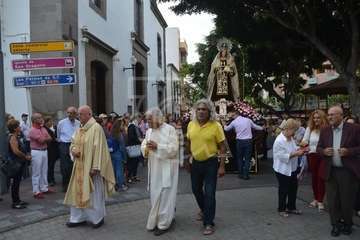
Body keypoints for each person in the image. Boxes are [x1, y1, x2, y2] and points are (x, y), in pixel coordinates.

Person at [64, 105, 115, 229]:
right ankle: (77, 218)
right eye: (78, 114)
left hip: (91, 169)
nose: (78, 116)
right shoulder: (79, 128)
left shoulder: (96, 128)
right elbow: (73, 143)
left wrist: (96, 167)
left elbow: (100, 148)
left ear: (89, 115)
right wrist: (73, 150)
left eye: (81, 114)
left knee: (94, 194)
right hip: (79, 167)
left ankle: (97, 218)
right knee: (77, 193)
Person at [317, 106, 360, 237]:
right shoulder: (324, 130)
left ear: (341, 115)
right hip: (330, 171)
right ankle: (335, 225)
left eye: (332, 115)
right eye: (328, 115)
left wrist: (349, 151)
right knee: (332, 200)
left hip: (347, 171)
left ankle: (347, 224)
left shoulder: (354, 129)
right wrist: (323, 151)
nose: (329, 117)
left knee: (347, 200)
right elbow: (318, 147)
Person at [185, 99, 226, 235]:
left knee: (209, 193)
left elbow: (222, 146)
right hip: (196, 162)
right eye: (199, 109)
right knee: (196, 189)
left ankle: (208, 223)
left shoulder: (216, 126)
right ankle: (204, 210)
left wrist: (221, 166)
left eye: (204, 109)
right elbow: (189, 142)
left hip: (211, 163)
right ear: (195, 111)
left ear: (209, 112)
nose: (201, 112)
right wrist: (187, 159)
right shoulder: (191, 124)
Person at [141, 108, 179, 236]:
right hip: (154, 168)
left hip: (167, 168)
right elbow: (144, 145)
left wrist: (158, 147)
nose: (147, 122)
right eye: (147, 120)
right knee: (155, 195)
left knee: (165, 196)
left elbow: (174, 149)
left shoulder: (170, 130)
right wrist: (146, 148)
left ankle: (164, 224)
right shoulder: (149, 131)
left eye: (149, 119)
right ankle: (156, 220)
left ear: (157, 118)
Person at [273, 118, 306, 218]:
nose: (294, 133)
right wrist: (297, 153)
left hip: (292, 168)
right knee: (283, 189)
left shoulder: (290, 138)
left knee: (293, 188)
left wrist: (301, 149)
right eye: (294, 130)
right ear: (287, 129)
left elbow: (294, 148)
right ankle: (281, 209)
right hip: (282, 170)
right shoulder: (279, 141)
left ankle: (291, 207)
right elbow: (282, 157)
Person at [301, 110, 328, 211]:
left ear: (322, 118)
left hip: (324, 156)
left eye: (318, 117)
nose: (316, 119)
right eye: (314, 118)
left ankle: (320, 200)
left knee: (321, 178)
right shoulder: (309, 128)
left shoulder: (327, 129)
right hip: (312, 155)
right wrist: (302, 143)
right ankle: (315, 198)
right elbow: (305, 140)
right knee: (314, 178)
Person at [224, 110, 263, 180]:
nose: (232, 117)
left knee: (240, 158)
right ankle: (246, 175)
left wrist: (224, 124)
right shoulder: (248, 120)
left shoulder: (234, 122)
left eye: (233, 115)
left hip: (239, 141)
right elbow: (256, 127)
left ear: (236, 114)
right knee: (247, 159)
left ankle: (240, 174)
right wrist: (262, 128)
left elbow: (226, 129)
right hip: (248, 141)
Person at [7, 119, 32, 209]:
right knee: (15, 183)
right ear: (14, 128)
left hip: (18, 162)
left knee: (17, 183)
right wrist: (25, 157)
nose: (20, 127)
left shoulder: (15, 136)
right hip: (15, 163)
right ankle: (15, 202)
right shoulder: (12, 137)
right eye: (18, 126)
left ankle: (18, 200)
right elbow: (16, 151)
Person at [29, 113, 53, 199]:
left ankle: (44, 188)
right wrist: (45, 138)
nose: (41, 119)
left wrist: (44, 138)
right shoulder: (32, 130)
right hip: (36, 152)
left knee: (44, 170)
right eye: (39, 118)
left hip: (44, 151)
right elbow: (42, 140)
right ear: (34, 120)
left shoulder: (43, 128)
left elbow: (50, 138)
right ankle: (36, 191)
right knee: (36, 172)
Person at [57, 107, 80, 192]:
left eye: (72, 113)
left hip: (75, 144)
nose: (70, 115)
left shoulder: (78, 123)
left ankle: (74, 184)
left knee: (75, 164)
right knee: (65, 166)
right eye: (68, 113)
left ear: (75, 114)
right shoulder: (61, 123)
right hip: (65, 144)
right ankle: (65, 185)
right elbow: (58, 135)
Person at [109, 118, 128, 191]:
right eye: (122, 125)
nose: (123, 126)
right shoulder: (119, 135)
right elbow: (122, 147)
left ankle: (114, 185)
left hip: (112, 153)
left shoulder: (111, 133)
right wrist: (125, 158)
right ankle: (121, 185)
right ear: (119, 125)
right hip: (118, 153)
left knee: (113, 170)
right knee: (119, 170)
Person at [126, 115, 142, 183]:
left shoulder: (135, 126)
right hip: (133, 147)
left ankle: (134, 176)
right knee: (132, 163)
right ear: (136, 118)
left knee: (136, 163)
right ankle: (129, 177)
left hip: (136, 146)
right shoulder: (131, 126)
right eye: (139, 119)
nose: (140, 120)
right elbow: (132, 137)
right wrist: (139, 140)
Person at [44, 116, 58, 186]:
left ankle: (50, 179)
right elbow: (50, 139)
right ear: (47, 122)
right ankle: (50, 179)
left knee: (51, 165)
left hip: (52, 149)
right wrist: (55, 139)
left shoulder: (50, 129)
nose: (51, 122)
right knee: (50, 165)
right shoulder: (45, 129)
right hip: (50, 149)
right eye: (50, 121)